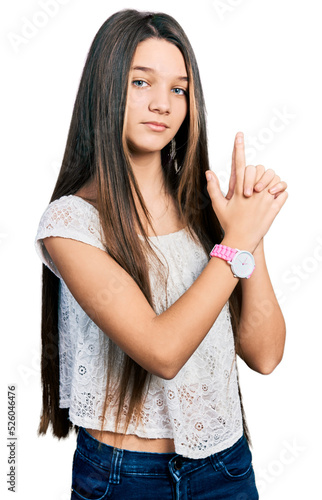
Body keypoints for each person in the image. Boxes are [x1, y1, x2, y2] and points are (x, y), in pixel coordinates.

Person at [34, 8, 288, 500]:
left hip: (227, 468)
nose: (162, 105)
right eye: (140, 82)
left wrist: (250, 231)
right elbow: (162, 352)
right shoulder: (70, 222)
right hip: (123, 478)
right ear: (105, 88)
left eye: (178, 89)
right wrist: (234, 242)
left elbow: (266, 353)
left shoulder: (207, 210)